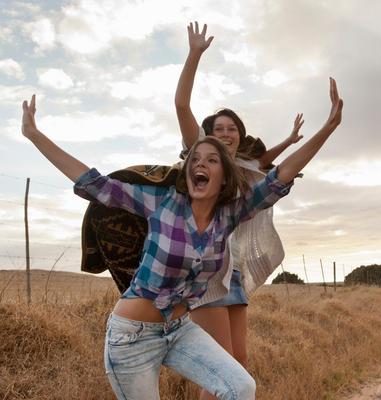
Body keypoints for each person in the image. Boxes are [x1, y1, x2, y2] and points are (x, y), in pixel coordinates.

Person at [20, 75, 343, 399]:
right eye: (196, 159)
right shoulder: (159, 202)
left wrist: (327, 129)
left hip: (179, 331)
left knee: (240, 385)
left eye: (212, 160)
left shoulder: (230, 213)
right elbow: (94, 183)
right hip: (131, 338)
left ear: (224, 174)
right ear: (188, 169)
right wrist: (34, 135)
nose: (202, 163)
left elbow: (278, 177)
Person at [174, 21, 304, 395]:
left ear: (239, 135)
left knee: (239, 363)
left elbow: (263, 165)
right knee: (220, 367)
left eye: (232, 128)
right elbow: (182, 105)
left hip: (233, 272)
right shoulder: (201, 159)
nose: (226, 133)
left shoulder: (244, 171)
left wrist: (291, 141)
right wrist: (194, 55)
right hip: (203, 272)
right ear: (208, 134)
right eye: (219, 127)